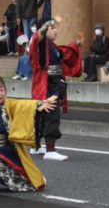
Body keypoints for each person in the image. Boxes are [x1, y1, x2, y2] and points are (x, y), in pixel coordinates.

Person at [29, 18, 82, 160]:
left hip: (53, 83)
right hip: (47, 84)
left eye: (55, 28)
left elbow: (66, 52)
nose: (55, 30)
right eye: (52, 28)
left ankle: (36, 146)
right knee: (50, 113)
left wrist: (76, 45)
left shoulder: (52, 46)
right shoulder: (40, 43)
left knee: (42, 114)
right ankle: (50, 150)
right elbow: (36, 38)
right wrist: (45, 26)